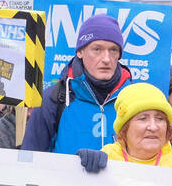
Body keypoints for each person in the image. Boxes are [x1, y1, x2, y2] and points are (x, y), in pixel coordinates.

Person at [21, 14, 132, 153]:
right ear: (80, 51)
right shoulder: (53, 99)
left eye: (113, 50)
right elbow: (29, 158)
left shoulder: (134, 99)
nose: (106, 59)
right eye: (97, 49)